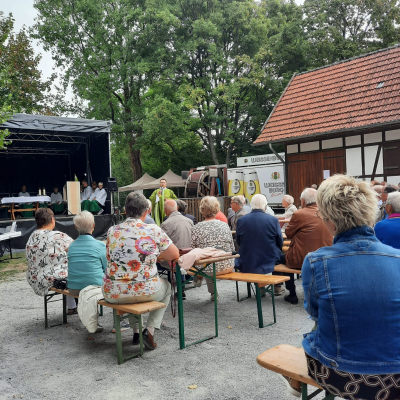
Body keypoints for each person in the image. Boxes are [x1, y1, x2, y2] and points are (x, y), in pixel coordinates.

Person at [286, 174, 400, 400]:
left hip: (340, 375)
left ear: (331, 220)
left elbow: (314, 311)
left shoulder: (316, 261)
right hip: (396, 377)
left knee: (316, 332)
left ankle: (295, 383)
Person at [103, 191, 179, 350]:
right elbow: (174, 254)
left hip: (113, 292)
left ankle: (136, 332)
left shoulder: (112, 231)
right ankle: (149, 330)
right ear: (147, 211)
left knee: (128, 283)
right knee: (167, 288)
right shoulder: (153, 230)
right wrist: (155, 255)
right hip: (146, 290)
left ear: (125, 210)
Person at [279, 188, 332, 304]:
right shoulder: (328, 212)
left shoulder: (299, 214)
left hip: (303, 260)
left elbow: (288, 233)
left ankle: (291, 293)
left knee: (282, 258)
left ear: (303, 201)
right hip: (327, 257)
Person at [25, 208, 76, 312]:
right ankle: (85, 308)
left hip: (35, 278)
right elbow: (77, 248)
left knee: (64, 266)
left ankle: (72, 307)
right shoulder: (56, 236)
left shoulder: (32, 236)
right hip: (51, 278)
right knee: (77, 269)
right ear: (53, 220)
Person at [235, 194, 283, 294]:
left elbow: (238, 241)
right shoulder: (273, 220)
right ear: (265, 206)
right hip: (269, 257)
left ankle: (262, 288)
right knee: (281, 255)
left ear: (251, 205)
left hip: (248, 257)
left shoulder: (241, 220)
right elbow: (280, 241)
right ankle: (276, 286)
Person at [191, 196, 235, 300]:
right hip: (226, 265)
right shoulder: (224, 226)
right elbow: (232, 247)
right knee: (209, 262)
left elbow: (193, 249)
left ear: (202, 210)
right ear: (217, 209)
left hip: (207, 268)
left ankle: (202, 282)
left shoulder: (196, 227)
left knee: (206, 262)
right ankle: (213, 293)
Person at [67, 211, 107, 295]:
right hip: (95, 287)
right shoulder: (100, 245)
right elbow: (107, 267)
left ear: (75, 227)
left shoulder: (71, 246)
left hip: (73, 287)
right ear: (93, 226)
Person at [161, 200, 193, 300]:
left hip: (174, 260)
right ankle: (181, 289)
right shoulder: (190, 221)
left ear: (166, 211)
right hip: (189, 257)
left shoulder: (166, 224)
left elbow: (162, 245)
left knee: (162, 259)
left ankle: (167, 289)